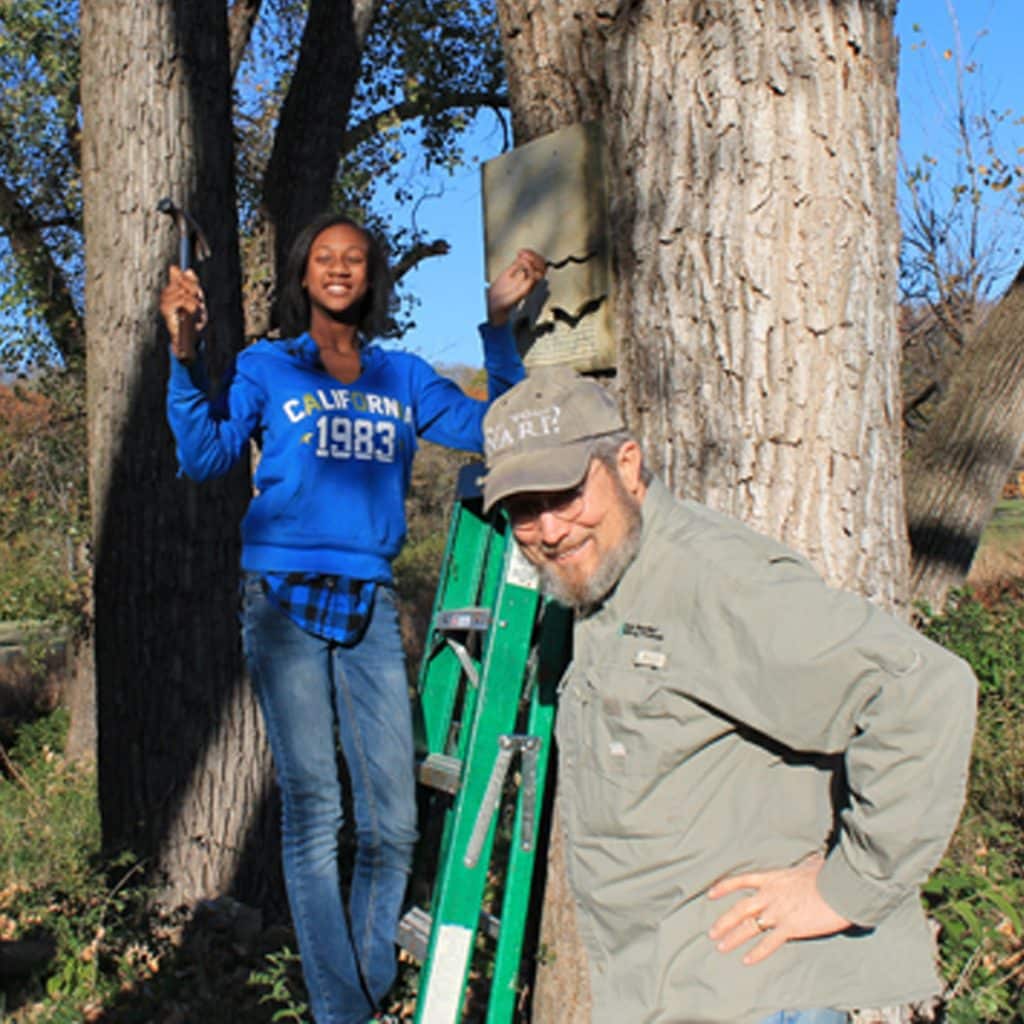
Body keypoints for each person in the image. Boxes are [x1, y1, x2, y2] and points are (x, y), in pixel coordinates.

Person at [480, 366, 977, 1024]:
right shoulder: (601, 583)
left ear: (627, 465)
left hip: (754, 998)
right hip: (675, 990)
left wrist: (847, 889)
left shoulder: (709, 579)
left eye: (566, 494)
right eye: (523, 508)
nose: (548, 529)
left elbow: (922, 689)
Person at [159, 212, 545, 1024]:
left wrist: (500, 327)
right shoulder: (269, 366)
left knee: (394, 824)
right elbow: (205, 455)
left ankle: (359, 991)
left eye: (356, 259)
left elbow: (497, 430)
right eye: (325, 258)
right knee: (315, 806)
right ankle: (345, 1012)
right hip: (282, 601)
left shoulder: (400, 377)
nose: (339, 269)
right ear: (304, 276)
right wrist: (186, 355)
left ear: (372, 278)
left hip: (366, 602)